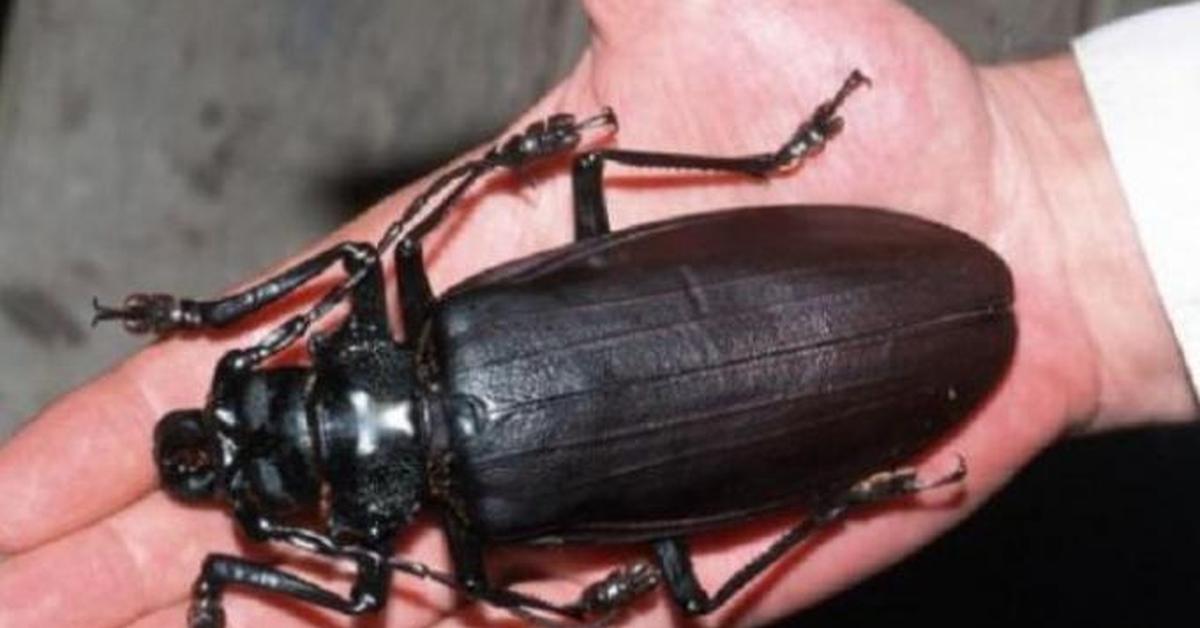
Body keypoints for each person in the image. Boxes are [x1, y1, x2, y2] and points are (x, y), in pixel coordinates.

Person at [0, 1, 1195, 626]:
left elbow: (364, 585)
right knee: (584, 184)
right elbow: (375, 259)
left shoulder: (475, 516)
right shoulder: (441, 314)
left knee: (690, 587)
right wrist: (220, 316)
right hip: (842, 332)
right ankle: (781, 178)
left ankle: (848, 485)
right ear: (311, 368)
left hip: (868, 303)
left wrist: (238, 581)